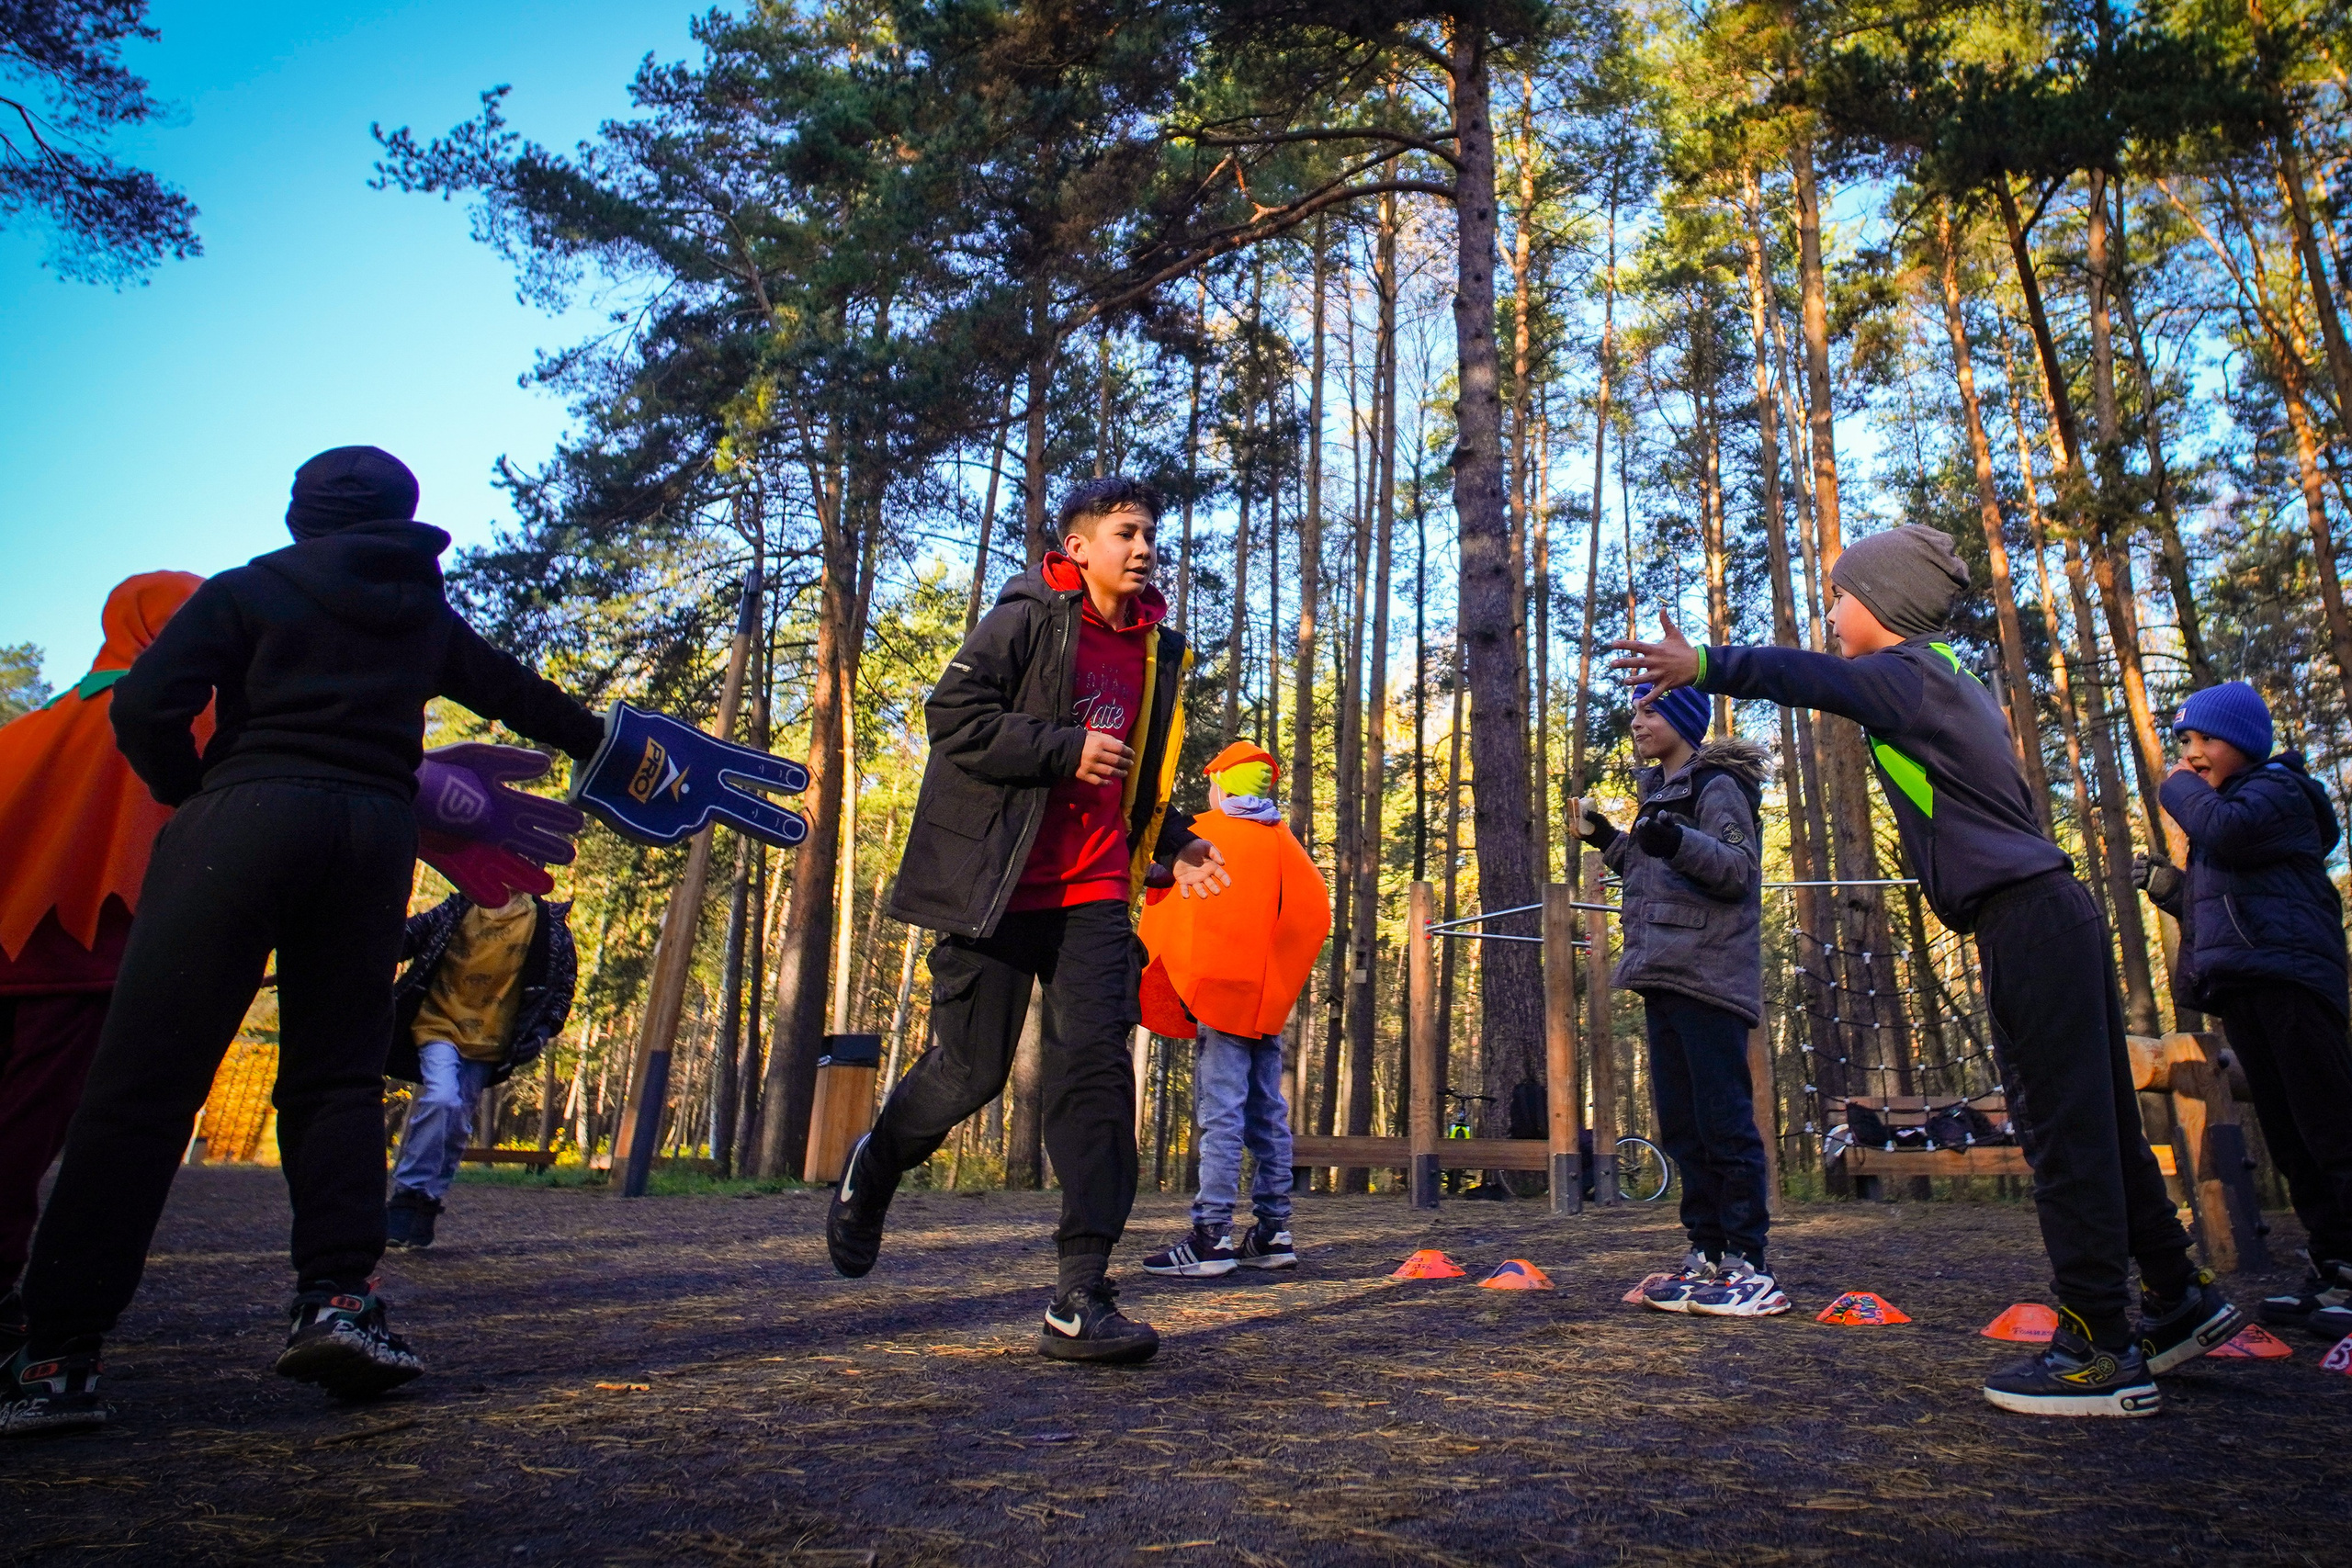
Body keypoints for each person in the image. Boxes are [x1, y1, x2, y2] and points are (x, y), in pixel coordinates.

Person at [3, 446, 611, 1438]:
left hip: (239, 822)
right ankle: (340, 1303)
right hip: (368, 836)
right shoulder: (420, 612)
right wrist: (620, 753)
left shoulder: (248, 591)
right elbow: (522, 695)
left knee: (143, 1087)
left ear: (300, 515)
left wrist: (187, 790)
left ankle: (59, 1355)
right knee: (331, 1080)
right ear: (400, 517)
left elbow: (144, 703)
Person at [1610, 524, 2242, 1418]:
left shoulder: (1912, 675)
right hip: (2048, 914)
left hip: (2029, 920)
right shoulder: (1946, 686)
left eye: (1841, 597)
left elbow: (1816, 681)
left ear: (1886, 607)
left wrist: (1704, 661)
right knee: (2095, 1121)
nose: (1831, 613)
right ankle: (2179, 1298)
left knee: (2063, 1135)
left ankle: (2099, 1346)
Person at [826, 475, 1230, 1366]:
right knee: (968, 1072)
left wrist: (1175, 841)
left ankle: (1079, 1293)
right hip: (992, 887)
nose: (1144, 546)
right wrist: (1061, 749)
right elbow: (954, 718)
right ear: (1077, 547)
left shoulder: (1160, 652)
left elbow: (1137, 777)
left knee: (1093, 1075)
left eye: (1150, 532)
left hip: (1092, 894)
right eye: (1125, 531)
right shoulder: (1025, 617)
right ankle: (879, 1161)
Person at [0, 572, 207, 1357]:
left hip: (15, 949)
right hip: (84, 957)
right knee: (29, 1129)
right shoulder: (193, 713)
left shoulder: (33, 727)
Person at [2135, 682, 2352, 1342]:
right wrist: (2177, 893)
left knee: (2329, 1121)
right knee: (2288, 1132)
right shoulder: (2234, 810)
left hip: (2290, 979)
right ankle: (2332, 1263)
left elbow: (2225, 832)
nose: (2193, 754)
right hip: (2248, 984)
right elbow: (2232, 899)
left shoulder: (2277, 791)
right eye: (2185, 744)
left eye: (2206, 740)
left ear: (2247, 744)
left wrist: (2175, 787)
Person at [1569, 683, 1780, 1316]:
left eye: (1649, 710)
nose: (1636, 721)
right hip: (1662, 972)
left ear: (1684, 721)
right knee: (1684, 1127)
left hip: (1709, 975)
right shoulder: (1660, 791)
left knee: (1723, 1122)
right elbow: (1648, 867)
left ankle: (1750, 1261)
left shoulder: (1714, 786)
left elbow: (1739, 871)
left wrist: (1676, 842)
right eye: (1635, 710)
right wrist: (1607, 835)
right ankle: (1706, 1252)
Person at [1136, 741, 1329, 1279]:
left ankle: (1211, 1236)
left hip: (1221, 997)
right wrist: (1282, 976)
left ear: (1221, 784)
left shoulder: (1205, 832)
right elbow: (1315, 909)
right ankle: (1272, 1231)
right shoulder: (1286, 842)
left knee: (1221, 1114)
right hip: (1267, 1002)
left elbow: (1164, 879)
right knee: (1267, 1112)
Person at [382, 888, 578, 1250]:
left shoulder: (548, 925)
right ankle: (407, 1194)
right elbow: (409, 937)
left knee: (457, 1123)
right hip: (437, 1024)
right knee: (442, 1099)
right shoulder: (460, 906)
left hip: (492, 1038)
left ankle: (429, 1199)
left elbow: (563, 983)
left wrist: (544, 1028)